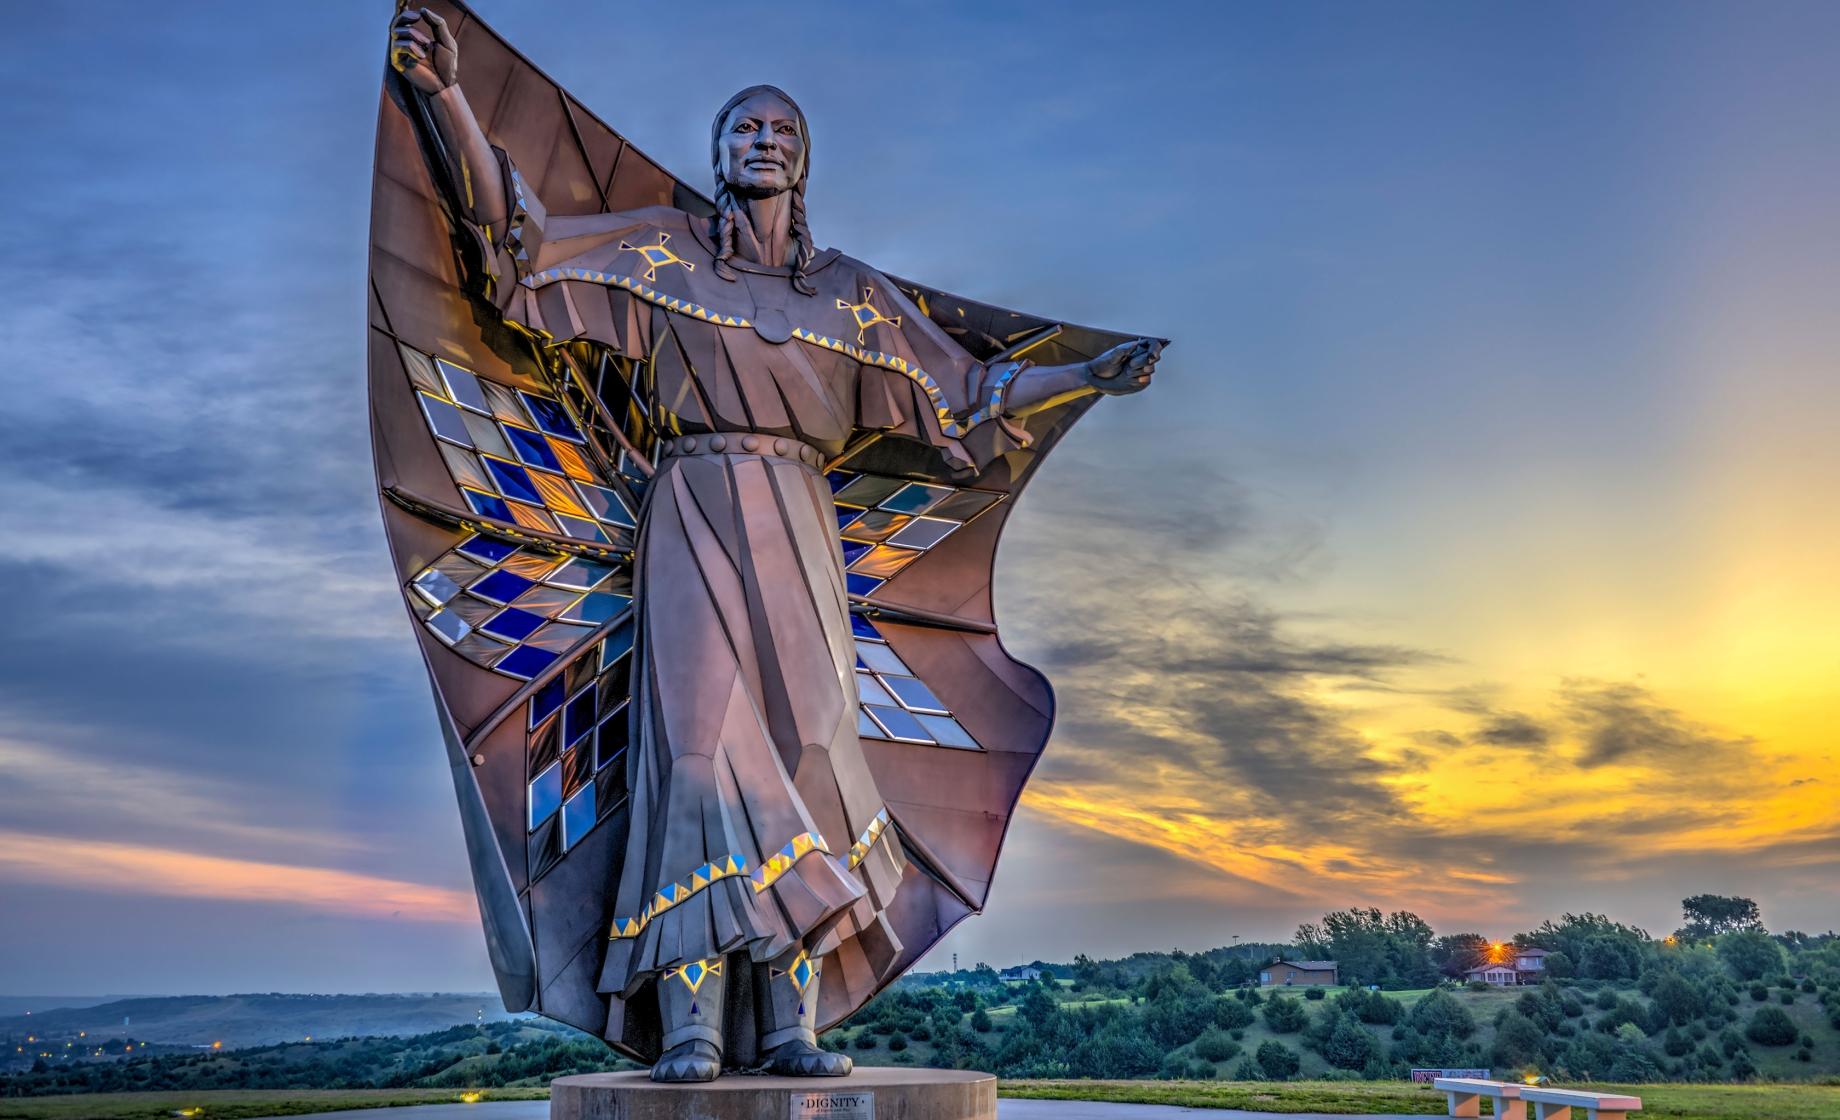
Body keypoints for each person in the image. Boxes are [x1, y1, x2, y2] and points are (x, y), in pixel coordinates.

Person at [388, 7, 1159, 1082]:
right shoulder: (657, 253)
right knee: (699, 755)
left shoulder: (849, 300)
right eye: (744, 128)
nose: (763, 141)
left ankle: (790, 1024)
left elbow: (968, 392)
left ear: (804, 163)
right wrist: (444, 96)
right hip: (694, 502)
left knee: (811, 753)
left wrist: (1085, 375)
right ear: (717, 153)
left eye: (782, 131)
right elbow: (517, 245)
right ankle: (694, 1025)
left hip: (800, 520)